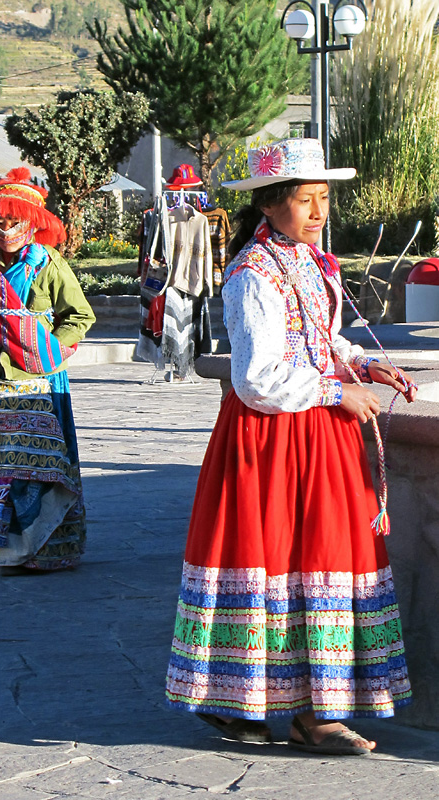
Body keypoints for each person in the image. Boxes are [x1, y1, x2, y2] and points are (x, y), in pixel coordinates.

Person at [165, 138, 417, 755]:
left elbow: (324, 339)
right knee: (271, 560)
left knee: (319, 561)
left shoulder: (311, 263)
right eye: (305, 199)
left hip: (317, 437)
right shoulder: (252, 273)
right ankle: (248, 703)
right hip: (271, 440)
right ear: (272, 204)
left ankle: (316, 710)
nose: (318, 212)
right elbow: (258, 379)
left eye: (323, 198)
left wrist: (364, 367)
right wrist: (336, 392)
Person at [0, 168, 96, 574]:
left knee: (37, 466)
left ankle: (42, 546)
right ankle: (7, 548)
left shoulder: (49, 265)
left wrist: (51, 350)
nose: (6, 229)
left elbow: (79, 314)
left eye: (15, 221)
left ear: (32, 222)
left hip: (37, 381)